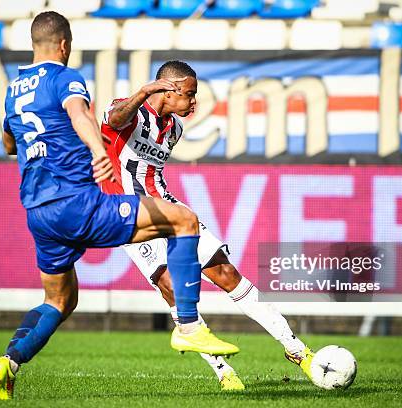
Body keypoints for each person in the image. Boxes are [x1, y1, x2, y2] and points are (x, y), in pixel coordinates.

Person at [0, 12, 238, 400]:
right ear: (65, 45)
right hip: (76, 202)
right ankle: (189, 326)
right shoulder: (65, 78)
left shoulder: (13, 90)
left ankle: (8, 362)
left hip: (38, 213)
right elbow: (79, 113)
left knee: (59, 301)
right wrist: (94, 149)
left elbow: (8, 144)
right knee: (184, 220)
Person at [99, 60, 315, 392]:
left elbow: (150, 172)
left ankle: (297, 350)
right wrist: (144, 92)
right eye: (189, 94)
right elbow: (114, 121)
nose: (194, 102)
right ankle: (223, 372)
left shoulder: (173, 129)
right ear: (168, 91)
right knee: (171, 287)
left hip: (170, 210)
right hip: (130, 216)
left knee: (227, 274)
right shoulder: (130, 111)